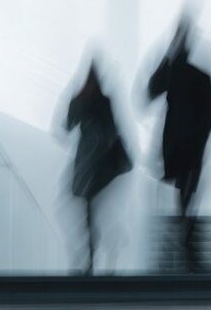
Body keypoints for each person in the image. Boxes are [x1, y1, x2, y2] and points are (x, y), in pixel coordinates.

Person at [146, 14, 211, 273]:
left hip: (181, 143)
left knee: (183, 194)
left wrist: (168, 54)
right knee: (185, 194)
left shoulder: (184, 73)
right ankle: (185, 245)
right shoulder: (192, 75)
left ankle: (183, 245)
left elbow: (151, 89)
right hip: (185, 144)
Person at [64, 61, 133, 275]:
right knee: (95, 210)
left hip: (87, 162)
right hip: (102, 163)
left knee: (88, 210)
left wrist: (74, 96)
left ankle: (91, 259)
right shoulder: (104, 101)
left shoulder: (80, 100)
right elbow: (112, 131)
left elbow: (67, 126)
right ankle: (104, 251)